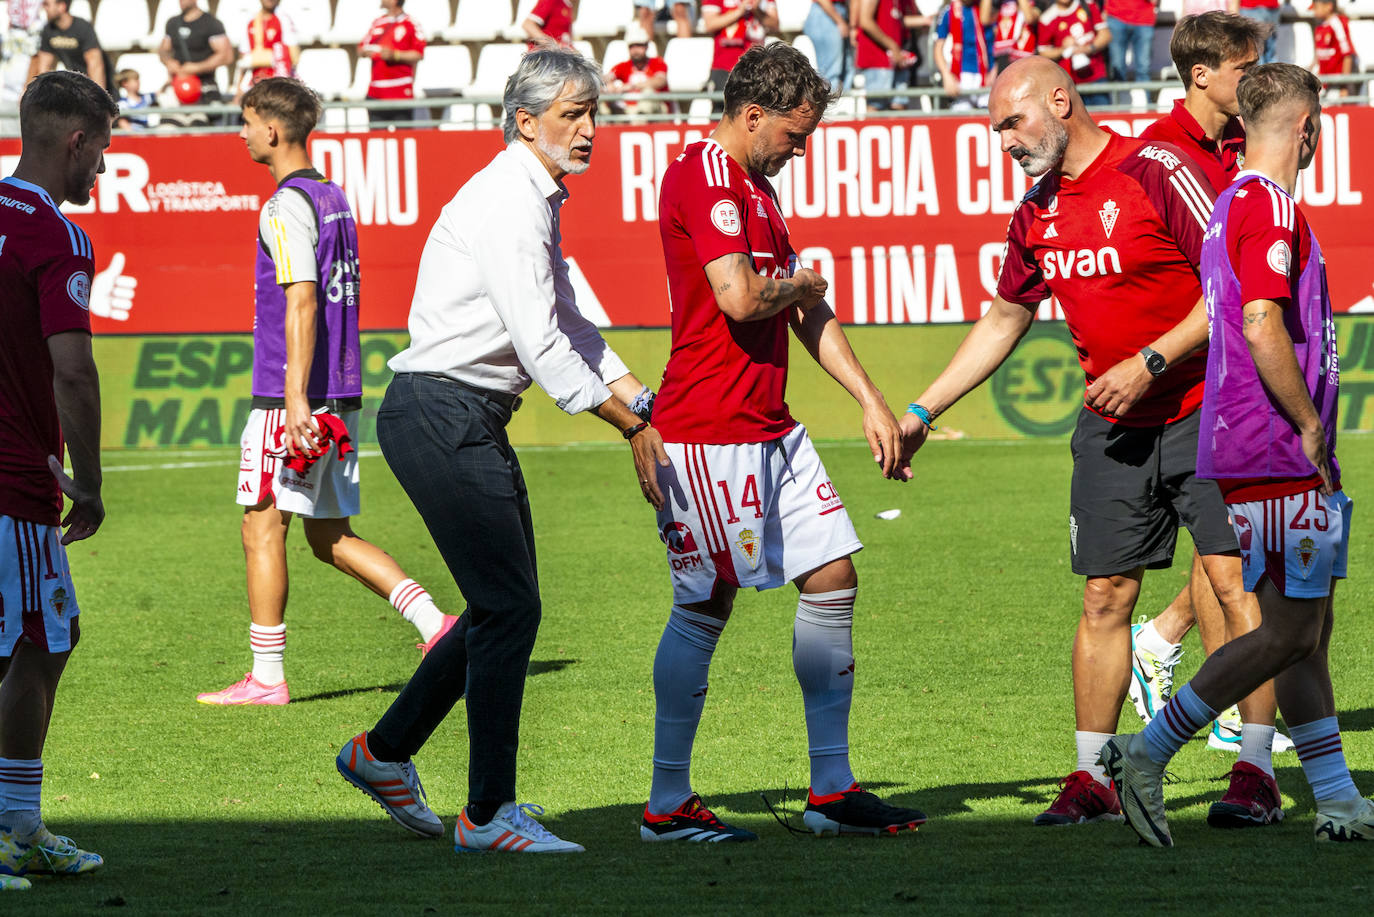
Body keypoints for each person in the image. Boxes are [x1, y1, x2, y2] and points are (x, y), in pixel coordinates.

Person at [897, 56, 1249, 829]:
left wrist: (1152, 357)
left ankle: (1253, 766)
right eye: (995, 130)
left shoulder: (1157, 167)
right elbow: (1003, 318)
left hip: (1204, 406)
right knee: (1103, 596)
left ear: (1060, 99)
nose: (1005, 142)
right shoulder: (1036, 213)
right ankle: (1092, 777)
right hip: (1112, 426)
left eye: (1011, 123)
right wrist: (921, 410)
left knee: (1233, 582)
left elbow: (1231, 282)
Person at [334, 47, 666, 854]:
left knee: (498, 607)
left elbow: (574, 321)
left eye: (594, 111)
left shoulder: (534, 196)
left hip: (457, 414)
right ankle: (486, 814)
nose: (591, 128)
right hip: (442, 411)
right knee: (511, 608)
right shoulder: (511, 200)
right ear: (527, 122)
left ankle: (382, 753)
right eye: (573, 113)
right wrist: (631, 425)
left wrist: (643, 398)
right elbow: (543, 341)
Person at [641, 42, 922, 844]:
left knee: (834, 575)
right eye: (794, 137)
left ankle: (831, 791)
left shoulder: (758, 192)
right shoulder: (703, 175)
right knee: (706, 601)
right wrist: (803, 280)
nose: (801, 152)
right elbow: (740, 297)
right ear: (752, 114)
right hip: (708, 428)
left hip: (771, 424)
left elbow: (802, 313)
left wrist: (871, 399)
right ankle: (666, 805)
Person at [1099, 63, 1374, 847]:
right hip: (1273, 447)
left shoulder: (1231, 204)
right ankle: (1145, 751)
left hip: (1255, 447)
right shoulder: (1269, 206)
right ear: (1306, 128)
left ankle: (1338, 798)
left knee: (1305, 627)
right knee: (1287, 632)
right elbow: (1260, 322)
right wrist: (1311, 426)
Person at [195, 77, 455, 708]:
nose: (242, 132)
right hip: (339, 390)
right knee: (328, 533)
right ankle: (437, 626)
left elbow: (303, 299)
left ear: (273, 131)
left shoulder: (284, 206)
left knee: (261, 526)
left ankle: (266, 677)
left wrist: (292, 399)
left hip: (296, 396)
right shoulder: (333, 196)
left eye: (248, 122)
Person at [1131, 13, 1299, 781]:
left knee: (1230, 554)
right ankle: (1231, 723)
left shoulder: (1236, 146)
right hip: (1195, 386)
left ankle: (1164, 640)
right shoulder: (1164, 160)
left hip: (1217, 380)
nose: (1256, 79)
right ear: (1203, 75)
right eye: (1246, 66)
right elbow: (1218, 288)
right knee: (1243, 573)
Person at [0, 69, 115, 892]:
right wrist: (93, 482)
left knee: (36, 639)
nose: (102, 170)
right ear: (75, 141)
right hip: (15, 478)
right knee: (42, 641)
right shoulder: (57, 234)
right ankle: (17, 823)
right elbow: (72, 371)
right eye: (101, 150)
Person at [357, 0, 425, 124]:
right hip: (376, 93)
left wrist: (395, 55)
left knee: (402, 139)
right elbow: (361, 48)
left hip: (400, 92)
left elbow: (418, 54)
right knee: (376, 140)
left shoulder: (411, 23)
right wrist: (366, 52)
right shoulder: (378, 22)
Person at [158, 0, 234, 107]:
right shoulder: (172, 23)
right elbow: (163, 50)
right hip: (178, 85)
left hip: (203, 87)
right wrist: (169, 62)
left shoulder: (211, 23)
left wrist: (197, 68)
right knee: (168, 119)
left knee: (199, 120)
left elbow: (227, 56)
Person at [1036, 0, 1112, 107]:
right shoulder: (1046, 19)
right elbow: (1043, 52)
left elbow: (1105, 35)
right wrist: (1063, 49)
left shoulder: (1087, 4)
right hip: (1069, 83)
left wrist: (1088, 48)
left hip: (1097, 76)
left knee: (1103, 117)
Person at [853, 0, 922, 110]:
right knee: (876, 106)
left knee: (900, 104)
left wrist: (926, 20)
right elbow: (865, 20)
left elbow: (897, 19)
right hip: (877, 59)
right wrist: (892, 46)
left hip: (896, 59)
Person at [702, 0, 777, 94]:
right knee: (723, 105)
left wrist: (756, 9)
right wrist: (740, 11)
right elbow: (710, 24)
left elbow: (775, 25)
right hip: (725, 65)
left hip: (756, 66)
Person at [933, 0, 996, 110]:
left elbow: (999, 43)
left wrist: (996, 69)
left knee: (990, 116)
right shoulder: (949, 11)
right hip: (962, 74)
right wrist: (946, 76)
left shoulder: (987, 9)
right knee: (961, 113)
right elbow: (938, 49)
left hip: (987, 74)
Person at [232, 0, 299, 101]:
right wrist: (238, 90)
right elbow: (244, 59)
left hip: (279, 83)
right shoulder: (251, 21)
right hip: (256, 83)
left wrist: (258, 58)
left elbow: (292, 57)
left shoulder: (284, 20)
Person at [35, 0, 109, 92]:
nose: (44, 8)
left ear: (61, 6)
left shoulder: (83, 27)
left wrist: (99, 97)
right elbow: (44, 67)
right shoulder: (48, 30)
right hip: (76, 84)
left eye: (47, 4)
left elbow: (95, 66)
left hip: (99, 86)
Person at [605, 22, 670, 121]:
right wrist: (609, 86)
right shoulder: (623, 66)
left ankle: (638, 126)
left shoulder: (657, 63)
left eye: (639, 46)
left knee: (648, 93)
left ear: (646, 46)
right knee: (602, 97)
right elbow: (608, 77)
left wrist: (632, 86)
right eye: (632, 46)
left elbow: (660, 81)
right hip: (628, 110)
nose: (635, 50)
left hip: (655, 112)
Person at [1102, 0, 1155, 105]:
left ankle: (1146, 108)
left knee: (1143, 68)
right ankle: (1119, 108)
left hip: (1144, 17)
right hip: (1116, 15)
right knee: (1117, 68)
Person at [804, 1, 853, 91]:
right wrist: (839, 21)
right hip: (827, 13)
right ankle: (829, 103)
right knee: (831, 73)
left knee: (846, 71)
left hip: (837, 12)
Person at [1312, 0, 1356, 97]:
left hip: (1337, 82)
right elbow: (1319, 55)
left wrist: (1344, 85)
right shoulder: (1319, 27)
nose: (1313, 12)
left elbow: (1347, 55)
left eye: (1316, 8)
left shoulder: (1337, 24)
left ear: (1329, 6)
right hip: (1324, 82)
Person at [993, 0, 1039, 73]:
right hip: (1004, 60)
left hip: (1026, 61)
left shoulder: (1037, 3)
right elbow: (984, 20)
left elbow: (1030, 19)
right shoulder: (1003, 3)